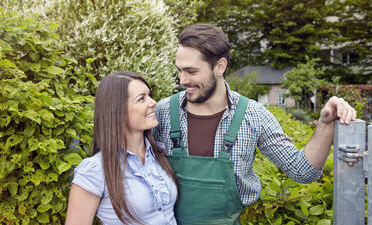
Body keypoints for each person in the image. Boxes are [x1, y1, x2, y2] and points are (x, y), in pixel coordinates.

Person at [153, 24, 356, 225]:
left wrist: (325, 124)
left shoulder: (253, 115)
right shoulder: (163, 112)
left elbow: (303, 171)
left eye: (191, 71)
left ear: (219, 66)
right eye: (179, 70)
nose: (182, 80)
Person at [65, 71, 178, 225]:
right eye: (141, 99)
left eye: (149, 95)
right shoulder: (95, 170)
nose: (153, 102)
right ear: (117, 110)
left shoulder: (161, 152)